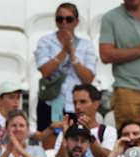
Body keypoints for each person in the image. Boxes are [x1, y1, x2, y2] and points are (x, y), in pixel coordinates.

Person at [34, 3, 97, 134]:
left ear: (76, 22)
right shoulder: (45, 41)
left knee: (77, 143)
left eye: (69, 19)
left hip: (76, 105)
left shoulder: (86, 45)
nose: (64, 23)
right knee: (49, 146)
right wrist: (64, 51)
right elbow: (45, 71)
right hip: (51, 102)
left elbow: (88, 78)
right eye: (59, 19)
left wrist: (73, 55)